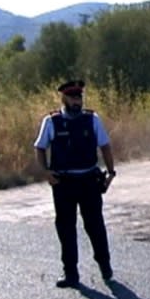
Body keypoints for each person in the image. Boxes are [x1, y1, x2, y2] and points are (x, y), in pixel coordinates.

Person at [33, 79, 116, 288]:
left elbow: (105, 146)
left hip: (89, 180)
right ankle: (71, 274)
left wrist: (111, 173)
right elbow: (40, 148)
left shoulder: (92, 119)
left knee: (95, 225)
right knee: (66, 228)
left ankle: (105, 266)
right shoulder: (51, 121)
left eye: (79, 97)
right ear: (64, 99)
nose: (77, 101)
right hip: (63, 183)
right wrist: (45, 173)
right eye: (72, 97)